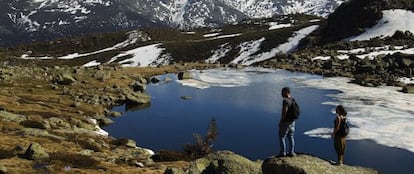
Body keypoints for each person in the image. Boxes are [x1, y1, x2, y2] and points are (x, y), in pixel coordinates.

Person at [278, 87, 296, 157]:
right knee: (291, 137)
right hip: (293, 122)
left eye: (282, 92)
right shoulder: (293, 100)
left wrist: (281, 121)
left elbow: (284, 112)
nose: (281, 94)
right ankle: (291, 152)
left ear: (287, 92)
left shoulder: (285, 101)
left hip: (286, 122)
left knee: (281, 137)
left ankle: (283, 153)